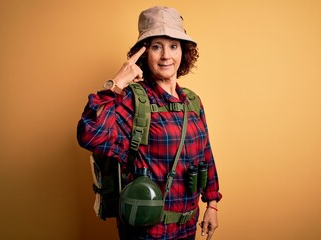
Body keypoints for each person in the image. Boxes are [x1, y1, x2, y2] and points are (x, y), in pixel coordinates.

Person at [77, 6, 222, 240]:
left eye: (173, 46)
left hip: (187, 228)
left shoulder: (192, 102)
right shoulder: (133, 100)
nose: (166, 55)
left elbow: (205, 155)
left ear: (183, 52)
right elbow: (89, 134)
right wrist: (116, 84)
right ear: (144, 54)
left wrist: (212, 204)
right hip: (147, 232)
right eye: (156, 46)